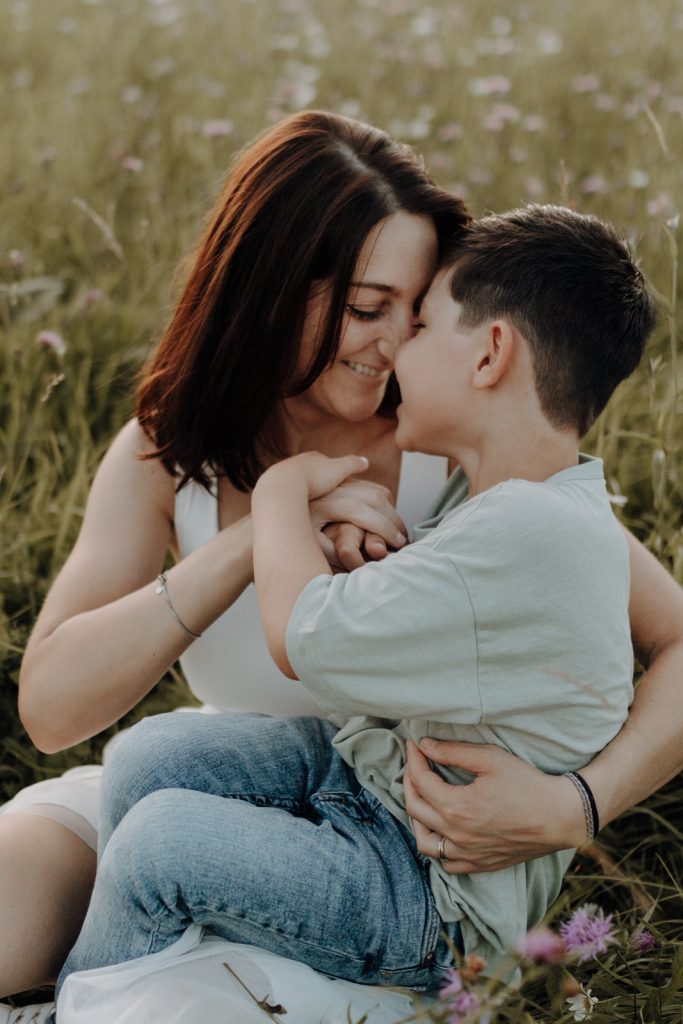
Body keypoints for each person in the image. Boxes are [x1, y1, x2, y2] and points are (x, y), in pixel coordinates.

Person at [2, 111, 683, 1016]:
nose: (394, 344)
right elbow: (51, 711)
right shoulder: (170, 450)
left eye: (415, 310)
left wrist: (579, 807)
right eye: (367, 308)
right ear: (270, 288)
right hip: (236, 771)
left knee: (163, 992)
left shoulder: (461, 448)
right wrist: (260, 532)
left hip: (394, 847)